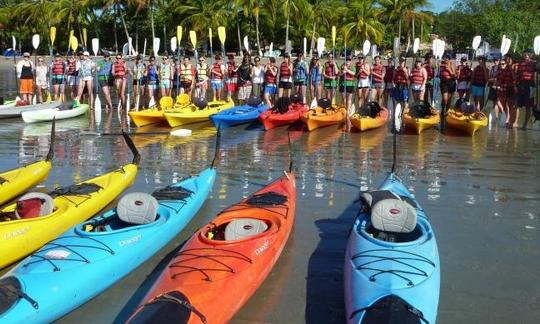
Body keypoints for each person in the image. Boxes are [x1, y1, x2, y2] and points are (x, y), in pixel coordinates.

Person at [515, 53, 536, 129]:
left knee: (528, 106)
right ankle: (515, 122)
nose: (526, 56)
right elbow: (517, 75)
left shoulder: (534, 64)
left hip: (530, 86)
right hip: (521, 85)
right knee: (516, 104)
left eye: (528, 55)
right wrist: (516, 85)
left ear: (530, 56)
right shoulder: (521, 64)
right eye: (525, 55)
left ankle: (525, 124)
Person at [496, 55, 516, 128]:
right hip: (501, 88)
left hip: (509, 88)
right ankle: (505, 115)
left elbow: (514, 78)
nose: (502, 65)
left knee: (508, 105)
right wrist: (497, 85)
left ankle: (507, 120)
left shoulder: (509, 69)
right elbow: (497, 79)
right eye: (501, 64)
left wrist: (510, 68)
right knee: (498, 102)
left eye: (503, 64)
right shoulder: (499, 71)